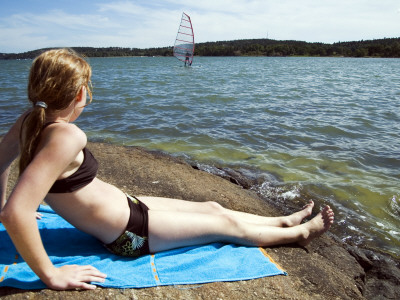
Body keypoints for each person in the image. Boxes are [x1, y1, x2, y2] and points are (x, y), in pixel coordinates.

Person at [0, 48, 334, 291]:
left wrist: (3, 205)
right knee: (226, 223)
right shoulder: (67, 135)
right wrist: (50, 274)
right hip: (130, 235)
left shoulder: (31, 120)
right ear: (79, 93)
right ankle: (299, 233)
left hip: (131, 207)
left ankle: (281, 220)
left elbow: (1, 162)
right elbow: (17, 213)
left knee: (212, 206)